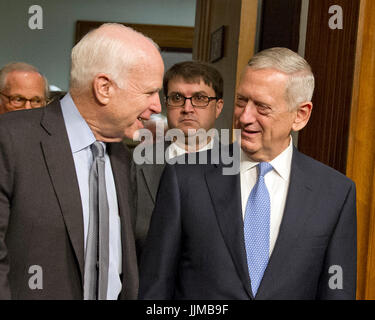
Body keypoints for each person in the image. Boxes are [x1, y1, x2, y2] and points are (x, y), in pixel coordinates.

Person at [139, 47, 357, 300]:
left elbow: (337, 292)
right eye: (241, 101)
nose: (245, 116)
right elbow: (155, 284)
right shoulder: (184, 178)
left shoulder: (335, 193)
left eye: (262, 107)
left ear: (301, 115)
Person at [0, 23, 164, 299]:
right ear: (104, 88)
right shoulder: (10, 140)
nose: (157, 106)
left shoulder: (122, 158)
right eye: (149, 92)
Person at [133, 61, 224, 257]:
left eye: (200, 98)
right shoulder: (137, 164)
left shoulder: (240, 167)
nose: (187, 108)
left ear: (218, 107)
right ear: (166, 104)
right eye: (177, 98)